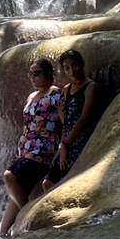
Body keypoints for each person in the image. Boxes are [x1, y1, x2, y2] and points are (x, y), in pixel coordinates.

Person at [0, 59, 63, 238]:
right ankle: (2, 234)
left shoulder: (56, 94)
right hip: (27, 150)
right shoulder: (31, 96)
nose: (32, 77)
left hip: (44, 150)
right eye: (31, 74)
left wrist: (62, 146)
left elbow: (66, 122)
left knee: (9, 176)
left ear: (48, 74)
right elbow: (27, 125)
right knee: (19, 189)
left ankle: (28, 218)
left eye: (37, 73)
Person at [44, 50, 100, 190]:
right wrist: (61, 147)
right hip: (67, 142)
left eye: (75, 65)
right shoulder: (66, 89)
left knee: (69, 185)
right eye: (67, 68)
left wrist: (66, 145)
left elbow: (84, 119)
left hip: (82, 142)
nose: (71, 70)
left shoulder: (91, 87)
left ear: (82, 64)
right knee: (48, 183)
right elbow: (66, 122)